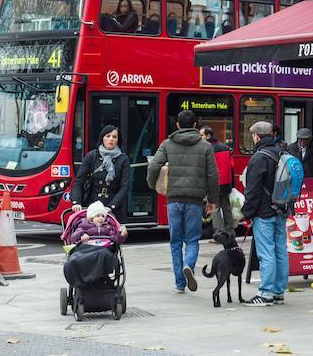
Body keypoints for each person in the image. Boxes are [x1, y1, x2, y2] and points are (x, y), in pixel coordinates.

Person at [146, 110, 218, 293]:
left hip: (173, 199)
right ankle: (189, 265)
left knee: (175, 241)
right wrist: (212, 200)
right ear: (195, 125)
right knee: (192, 239)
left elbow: (154, 165)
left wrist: (151, 183)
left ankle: (179, 283)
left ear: (177, 125)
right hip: (194, 200)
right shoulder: (205, 146)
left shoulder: (168, 144)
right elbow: (213, 175)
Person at [241, 121, 289, 306]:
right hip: (281, 210)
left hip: (264, 212)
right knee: (281, 251)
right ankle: (278, 292)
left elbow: (252, 191)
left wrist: (247, 213)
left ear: (256, 136)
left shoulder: (259, 157)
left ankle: (266, 293)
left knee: (266, 252)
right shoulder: (283, 153)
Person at [70, 125, 130, 220]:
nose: (111, 139)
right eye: (108, 136)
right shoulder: (92, 155)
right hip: (91, 206)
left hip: (111, 208)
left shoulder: (123, 159)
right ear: (102, 138)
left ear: (118, 140)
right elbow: (78, 182)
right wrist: (76, 202)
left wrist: (112, 206)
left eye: (114, 137)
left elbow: (124, 186)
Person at [201, 126, 235, 234]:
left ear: (208, 135)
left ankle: (219, 234)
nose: (200, 138)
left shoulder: (206, 149)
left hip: (215, 184)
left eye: (202, 135)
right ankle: (230, 232)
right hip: (226, 183)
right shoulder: (225, 147)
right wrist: (232, 185)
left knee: (215, 209)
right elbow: (231, 166)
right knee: (227, 209)